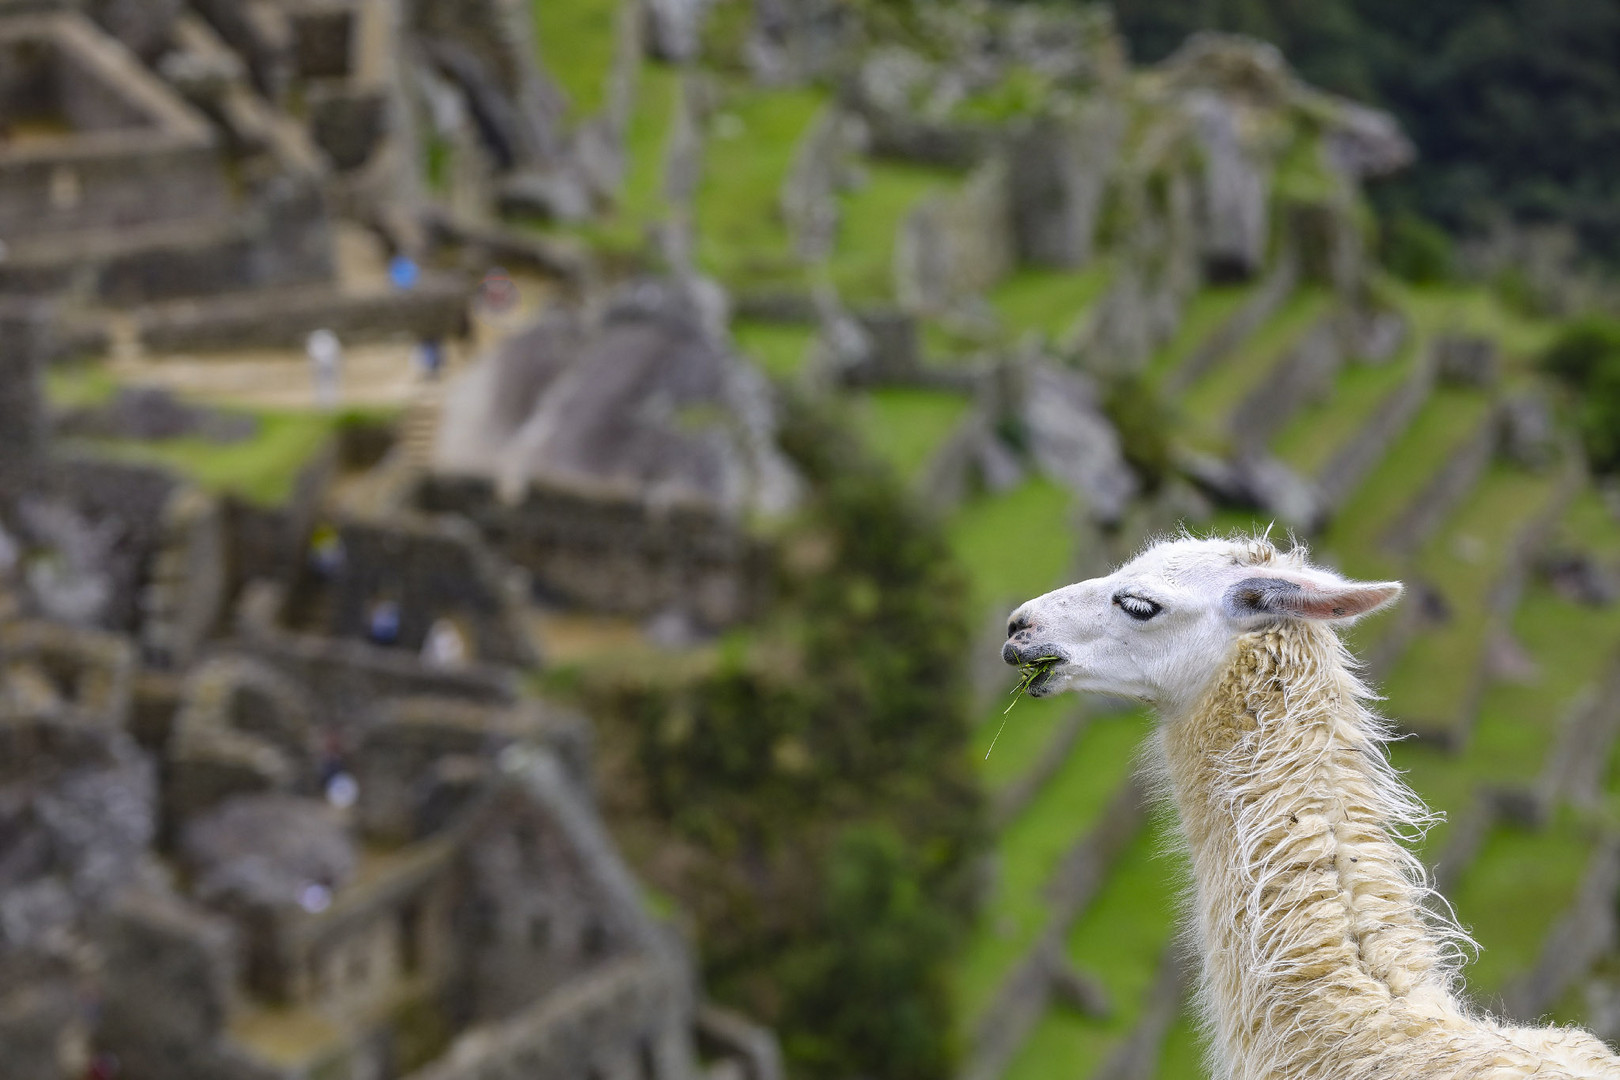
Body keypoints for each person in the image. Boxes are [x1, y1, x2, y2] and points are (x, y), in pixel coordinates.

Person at [306, 328, 343, 410]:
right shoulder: (319, 343)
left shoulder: (329, 342)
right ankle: (323, 404)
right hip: (320, 368)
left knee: (331, 385)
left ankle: (331, 403)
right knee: (321, 386)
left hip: (329, 367)